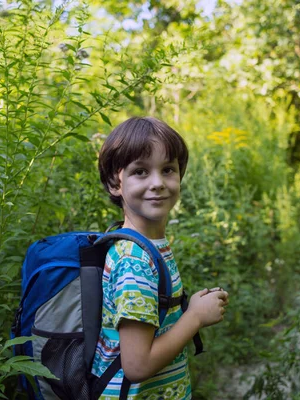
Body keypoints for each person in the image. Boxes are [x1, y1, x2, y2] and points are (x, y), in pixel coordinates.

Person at [92, 116, 229, 399]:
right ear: (114, 182)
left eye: (168, 169)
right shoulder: (135, 261)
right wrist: (195, 317)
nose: (158, 183)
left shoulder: (148, 248)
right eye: (140, 171)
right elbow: (137, 365)